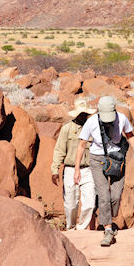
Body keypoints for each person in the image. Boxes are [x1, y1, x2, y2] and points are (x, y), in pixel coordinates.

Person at [74, 96, 134, 246]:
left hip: (117, 160)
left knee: (116, 195)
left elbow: (130, 136)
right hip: (97, 160)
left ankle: (108, 217)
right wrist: (77, 169)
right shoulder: (91, 122)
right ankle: (108, 229)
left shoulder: (122, 119)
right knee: (104, 194)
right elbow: (81, 145)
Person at [51, 97, 97, 230]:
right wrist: (55, 170)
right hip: (70, 169)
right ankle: (71, 229)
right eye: (81, 114)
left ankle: (81, 228)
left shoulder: (92, 129)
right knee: (71, 205)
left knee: (89, 203)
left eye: (85, 114)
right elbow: (59, 150)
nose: (83, 116)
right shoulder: (67, 128)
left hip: (88, 170)